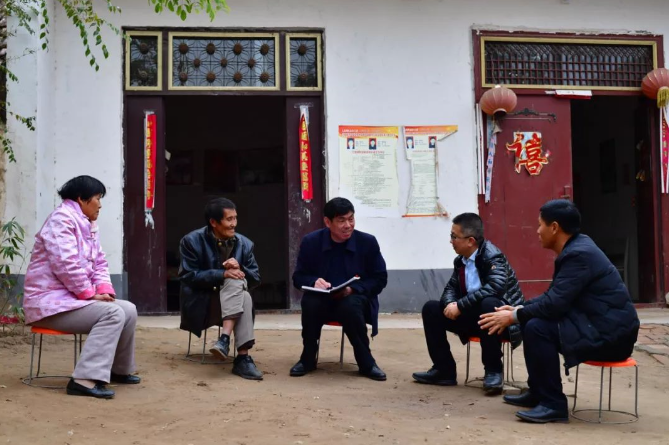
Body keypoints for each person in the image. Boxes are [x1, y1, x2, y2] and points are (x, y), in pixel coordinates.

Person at [479, 200, 639, 423]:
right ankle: (539, 392)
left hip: (612, 336)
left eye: (540, 225)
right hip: (597, 325)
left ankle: (553, 404)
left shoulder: (579, 255)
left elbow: (553, 305)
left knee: (537, 327)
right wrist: (519, 309)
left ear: (554, 227)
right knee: (531, 320)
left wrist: (512, 317)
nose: (537, 231)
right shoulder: (577, 248)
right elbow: (554, 297)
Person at [23, 176, 139, 399]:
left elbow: (100, 262)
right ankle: (83, 380)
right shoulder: (61, 220)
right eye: (97, 198)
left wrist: (103, 291)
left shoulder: (87, 224)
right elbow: (66, 265)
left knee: (129, 310)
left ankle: (117, 370)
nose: (100, 205)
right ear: (81, 199)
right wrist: (90, 294)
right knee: (113, 313)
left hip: (72, 301)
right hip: (48, 305)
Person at [412, 213, 523, 394]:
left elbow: (496, 287)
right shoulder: (461, 261)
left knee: (489, 304)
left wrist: (460, 306)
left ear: (470, 241)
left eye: (454, 237)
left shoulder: (493, 257)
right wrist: (450, 304)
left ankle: (493, 371)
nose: (451, 241)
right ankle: (444, 370)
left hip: (502, 321)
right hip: (474, 317)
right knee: (431, 309)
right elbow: (450, 288)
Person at [290, 197, 388, 380]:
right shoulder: (311, 242)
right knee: (310, 302)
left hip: (355, 299)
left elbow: (380, 278)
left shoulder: (367, 242)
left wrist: (353, 289)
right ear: (328, 222)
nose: (348, 225)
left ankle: (367, 363)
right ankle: (307, 358)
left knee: (350, 305)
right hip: (322, 299)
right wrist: (313, 282)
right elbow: (298, 277)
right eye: (341, 220)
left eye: (351, 219)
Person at [179, 198, 263, 380]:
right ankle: (242, 358)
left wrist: (239, 267)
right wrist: (222, 274)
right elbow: (188, 276)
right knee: (236, 284)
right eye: (229, 219)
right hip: (203, 304)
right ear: (213, 222)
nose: (234, 224)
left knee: (240, 289)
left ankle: (225, 341)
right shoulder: (191, 241)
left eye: (235, 218)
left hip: (232, 304)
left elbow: (256, 278)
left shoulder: (245, 243)